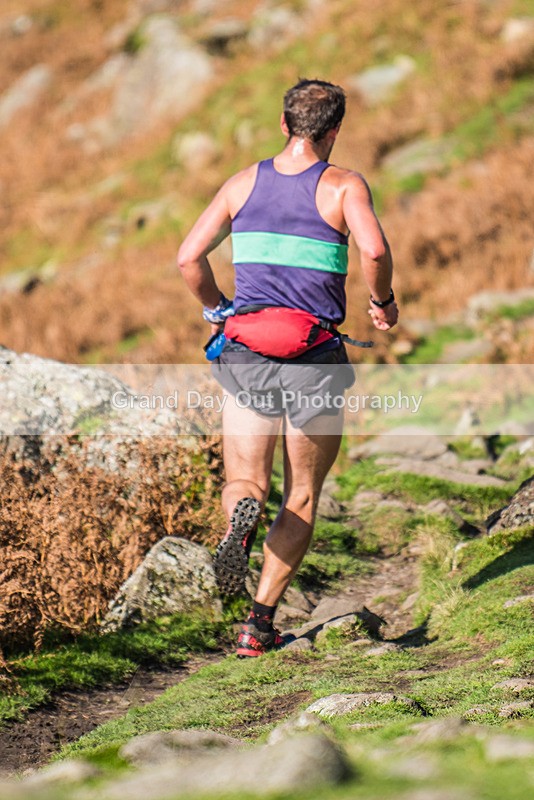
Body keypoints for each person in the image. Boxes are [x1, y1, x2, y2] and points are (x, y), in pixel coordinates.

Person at [178, 78, 398, 657]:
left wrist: (217, 310)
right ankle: (258, 625)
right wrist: (381, 302)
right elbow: (374, 250)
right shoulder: (344, 185)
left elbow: (188, 257)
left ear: (284, 125)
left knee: (245, 481)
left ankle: (240, 521)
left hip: (247, 352)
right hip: (313, 358)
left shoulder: (242, 183)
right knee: (300, 494)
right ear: (334, 130)